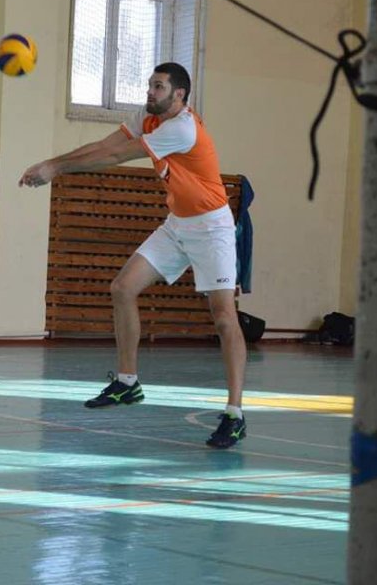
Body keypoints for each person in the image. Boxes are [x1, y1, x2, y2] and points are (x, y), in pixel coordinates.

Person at [19, 62, 248, 448]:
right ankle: (128, 382)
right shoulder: (148, 116)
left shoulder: (182, 128)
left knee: (224, 318)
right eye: (149, 85)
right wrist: (53, 163)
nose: (150, 92)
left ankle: (235, 414)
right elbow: (107, 146)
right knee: (123, 288)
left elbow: (116, 158)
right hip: (178, 223)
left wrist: (54, 168)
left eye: (158, 87)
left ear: (179, 95)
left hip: (213, 228)